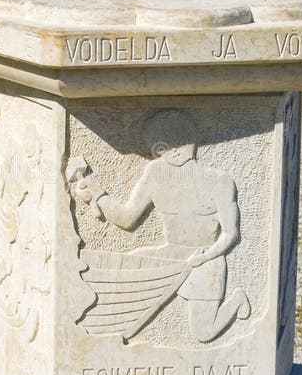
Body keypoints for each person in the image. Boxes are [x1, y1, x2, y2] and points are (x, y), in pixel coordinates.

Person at [75, 109, 250, 342]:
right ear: (157, 150)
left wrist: (206, 256)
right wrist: (98, 195)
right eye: (165, 146)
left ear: (192, 139)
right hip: (168, 256)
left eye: (180, 140)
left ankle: (237, 300)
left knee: (204, 334)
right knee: (123, 268)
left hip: (205, 262)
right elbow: (127, 218)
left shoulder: (219, 180)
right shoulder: (156, 173)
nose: (175, 151)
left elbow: (230, 233)